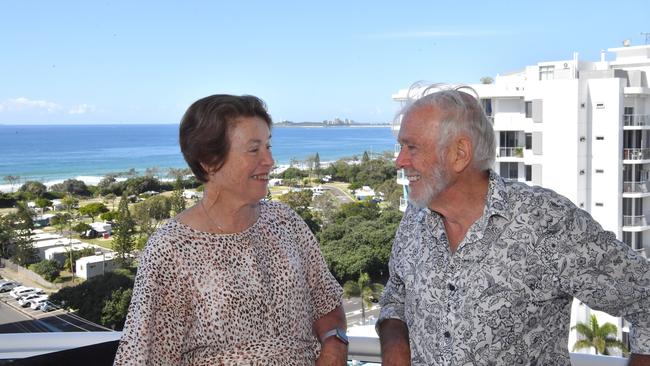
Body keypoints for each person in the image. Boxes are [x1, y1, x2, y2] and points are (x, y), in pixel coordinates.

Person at [377, 85, 650, 365]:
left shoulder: (546, 222)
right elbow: (396, 293)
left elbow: (646, 298)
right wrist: (395, 349)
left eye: (411, 147)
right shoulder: (416, 216)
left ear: (460, 153)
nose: (399, 161)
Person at [114, 94, 348, 365]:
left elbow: (327, 302)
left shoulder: (286, 223)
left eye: (268, 147)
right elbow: (144, 356)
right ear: (209, 161)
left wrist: (335, 344)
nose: (269, 161)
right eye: (254, 149)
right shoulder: (171, 251)